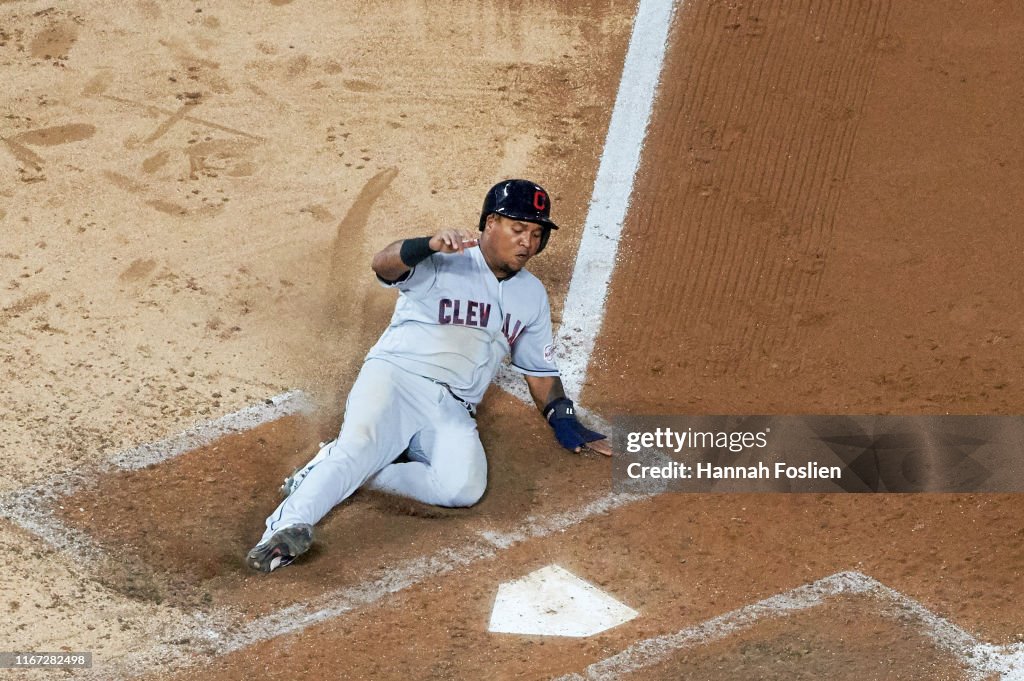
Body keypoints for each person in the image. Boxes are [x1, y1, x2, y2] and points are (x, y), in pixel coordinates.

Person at [246, 179, 612, 573]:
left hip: (453, 407)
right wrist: (426, 245)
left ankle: (329, 469)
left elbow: (539, 370)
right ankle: (283, 533)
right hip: (396, 378)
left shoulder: (532, 295)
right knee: (360, 446)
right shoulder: (446, 259)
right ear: (490, 223)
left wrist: (563, 417)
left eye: (537, 233)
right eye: (518, 229)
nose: (528, 242)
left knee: (462, 488)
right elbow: (383, 264)